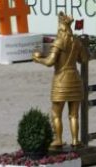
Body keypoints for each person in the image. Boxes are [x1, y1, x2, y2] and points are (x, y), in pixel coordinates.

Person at [32, 12, 88, 148]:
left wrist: (38, 59)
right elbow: (84, 59)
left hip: (61, 81)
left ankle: (58, 140)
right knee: (74, 114)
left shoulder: (58, 42)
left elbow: (50, 62)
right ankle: (75, 140)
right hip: (75, 79)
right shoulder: (77, 42)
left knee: (56, 113)